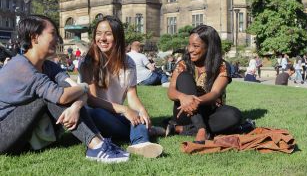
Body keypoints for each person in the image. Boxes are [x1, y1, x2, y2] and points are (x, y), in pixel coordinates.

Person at [0, 15, 129, 163]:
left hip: (26, 132)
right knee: (50, 96)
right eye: (52, 33)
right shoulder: (21, 67)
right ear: (35, 37)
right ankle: (96, 147)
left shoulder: (48, 66)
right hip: (3, 135)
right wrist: (84, 87)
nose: (58, 39)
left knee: (64, 91)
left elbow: (73, 88)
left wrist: (76, 106)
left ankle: (100, 141)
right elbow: (63, 96)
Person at [79, 15, 163, 158]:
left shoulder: (128, 62)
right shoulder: (88, 62)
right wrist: (125, 110)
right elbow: (92, 101)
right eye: (98, 34)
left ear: (117, 37)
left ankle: (140, 143)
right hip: (97, 116)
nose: (102, 38)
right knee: (96, 113)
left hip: (116, 115)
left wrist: (142, 110)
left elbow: (132, 95)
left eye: (108, 34)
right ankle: (146, 132)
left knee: (137, 115)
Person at [166, 25, 245, 143]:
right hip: (185, 112)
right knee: (184, 77)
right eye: (189, 45)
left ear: (209, 47)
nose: (190, 49)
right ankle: (202, 129)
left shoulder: (222, 66)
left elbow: (215, 93)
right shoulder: (183, 64)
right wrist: (183, 97)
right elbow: (171, 91)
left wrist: (196, 101)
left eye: (196, 46)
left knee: (234, 116)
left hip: (209, 112)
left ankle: (179, 129)